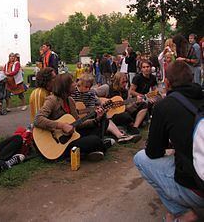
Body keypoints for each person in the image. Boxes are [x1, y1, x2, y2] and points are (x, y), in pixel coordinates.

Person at [134, 61, 204, 222]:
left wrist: (170, 144)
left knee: (140, 158)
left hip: (197, 190)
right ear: (192, 78)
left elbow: (153, 152)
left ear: (167, 83)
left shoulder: (165, 106)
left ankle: (181, 213)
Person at [34, 73, 109, 161]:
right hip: (60, 142)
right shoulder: (52, 100)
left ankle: (89, 150)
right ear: (65, 86)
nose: (75, 84)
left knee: (104, 121)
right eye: (72, 82)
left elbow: (78, 123)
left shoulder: (70, 101)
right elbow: (38, 119)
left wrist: (96, 119)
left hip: (72, 136)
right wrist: (61, 125)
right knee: (95, 140)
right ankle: (96, 147)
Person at [72, 74, 136, 143]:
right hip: (73, 121)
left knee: (103, 116)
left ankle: (120, 136)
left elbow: (91, 109)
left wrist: (99, 110)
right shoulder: (72, 93)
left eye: (90, 87)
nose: (88, 89)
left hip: (86, 118)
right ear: (79, 84)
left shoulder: (90, 94)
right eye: (86, 87)